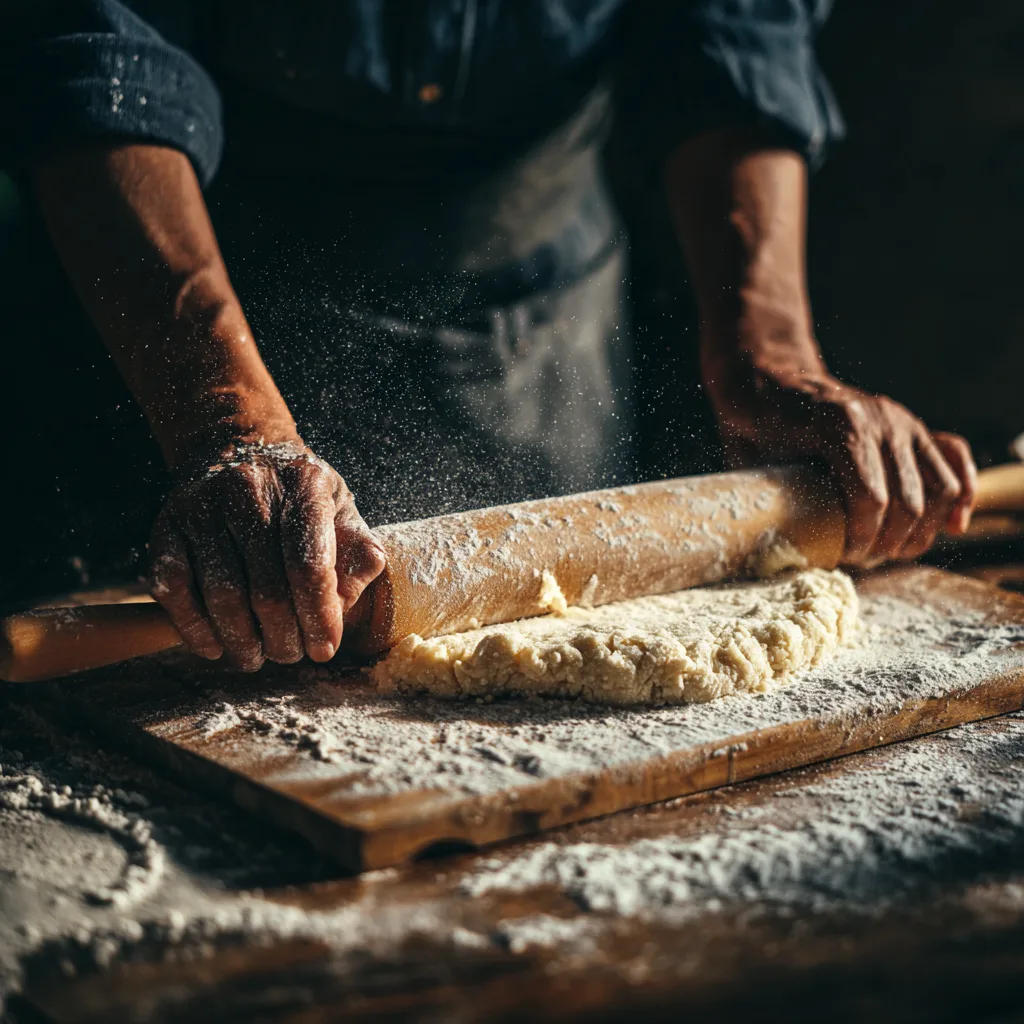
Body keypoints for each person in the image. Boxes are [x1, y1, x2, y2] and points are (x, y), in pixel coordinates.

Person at [1, 1, 977, 673]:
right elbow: (101, 46)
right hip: (164, 293)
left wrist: (771, 353)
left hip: (528, 312)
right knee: (175, 663)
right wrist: (227, 422)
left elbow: (730, 27)